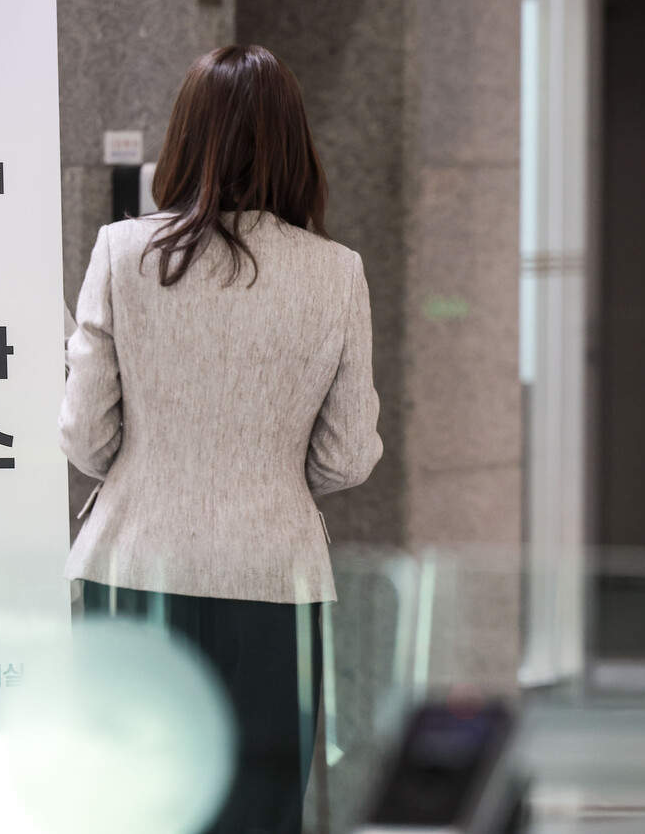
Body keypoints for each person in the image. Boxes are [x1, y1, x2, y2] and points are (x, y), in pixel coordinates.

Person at [58, 44, 383, 833]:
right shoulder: (337, 272)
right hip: (275, 581)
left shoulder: (122, 253)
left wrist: (152, 462)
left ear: (184, 139)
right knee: (259, 814)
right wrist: (270, 473)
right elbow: (347, 454)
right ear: (294, 145)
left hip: (133, 570)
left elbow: (84, 434)